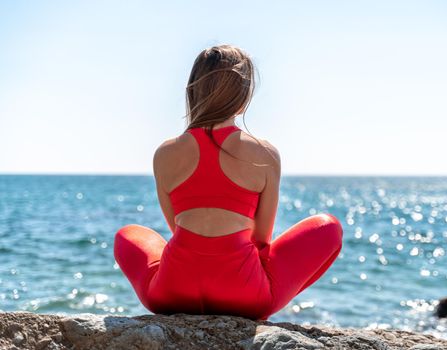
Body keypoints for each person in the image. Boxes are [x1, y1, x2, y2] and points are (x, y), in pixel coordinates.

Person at [113, 44, 344, 321]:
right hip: (245, 297)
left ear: (192, 91)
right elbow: (261, 240)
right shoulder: (264, 153)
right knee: (329, 228)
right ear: (243, 98)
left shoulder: (165, 153)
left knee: (127, 235)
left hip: (171, 291)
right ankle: (265, 301)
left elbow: (176, 226)